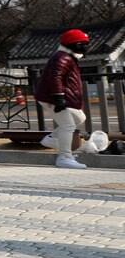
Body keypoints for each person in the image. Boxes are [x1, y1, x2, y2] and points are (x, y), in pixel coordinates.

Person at [36, 28, 91, 169]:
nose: (85, 47)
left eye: (86, 43)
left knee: (79, 118)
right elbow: (55, 77)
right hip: (55, 97)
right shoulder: (63, 57)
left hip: (59, 96)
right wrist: (58, 97)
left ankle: (52, 139)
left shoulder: (67, 57)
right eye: (81, 44)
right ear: (71, 44)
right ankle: (65, 157)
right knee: (68, 125)